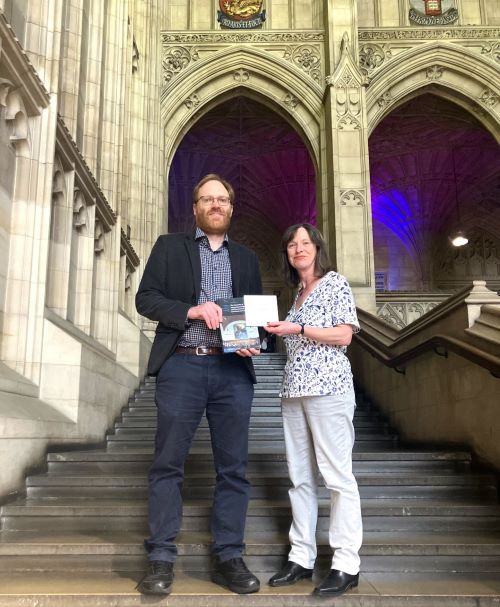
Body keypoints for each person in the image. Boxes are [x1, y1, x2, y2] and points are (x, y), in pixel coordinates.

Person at [135, 174, 262, 596]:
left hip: (231, 372)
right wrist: (191, 310)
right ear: (195, 208)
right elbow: (146, 299)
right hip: (182, 366)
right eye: (207, 199)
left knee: (234, 470)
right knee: (167, 464)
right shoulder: (170, 247)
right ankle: (160, 557)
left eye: (222, 199)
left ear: (231, 207)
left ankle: (229, 555)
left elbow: (259, 319)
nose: (215, 205)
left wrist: (255, 342)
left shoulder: (246, 258)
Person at [265, 223, 362, 597]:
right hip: (293, 392)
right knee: (300, 479)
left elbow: (343, 335)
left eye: (305, 242)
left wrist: (299, 328)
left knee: (337, 478)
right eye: (292, 244)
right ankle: (301, 557)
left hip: (329, 389)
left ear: (317, 248)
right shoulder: (296, 295)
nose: (298, 249)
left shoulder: (334, 282)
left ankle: (346, 563)